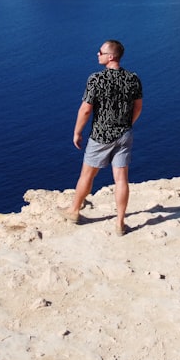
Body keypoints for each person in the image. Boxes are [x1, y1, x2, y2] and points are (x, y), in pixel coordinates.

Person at [62, 39, 143, 236]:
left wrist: (77, 132)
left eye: (100, 52)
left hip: (100, 135)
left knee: (87, 175)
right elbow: (138, 107)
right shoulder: (133, 78)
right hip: (124, 134)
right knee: (121, 179)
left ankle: (74, 211)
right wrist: (126, 125)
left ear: (111, 56)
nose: (97, 55)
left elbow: (86, 109)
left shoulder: (96, 79)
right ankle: (120, 224)